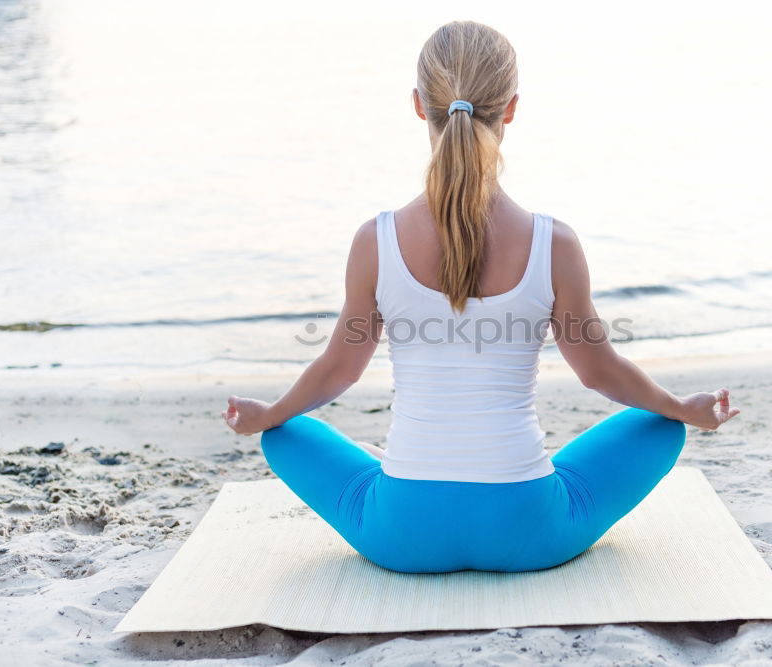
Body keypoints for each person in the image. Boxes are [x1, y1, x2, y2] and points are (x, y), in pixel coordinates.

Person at [222, 20, 740, 574]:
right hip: (530, 533)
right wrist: (685, 409)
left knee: (286, 435)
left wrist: (270, 413)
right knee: (659, 425)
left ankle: (383, 468)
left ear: (420, 106)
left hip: (401, 536)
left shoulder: (375, 241)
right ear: (511, 108)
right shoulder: (554, 243)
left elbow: (339, 371)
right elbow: (599, 372)